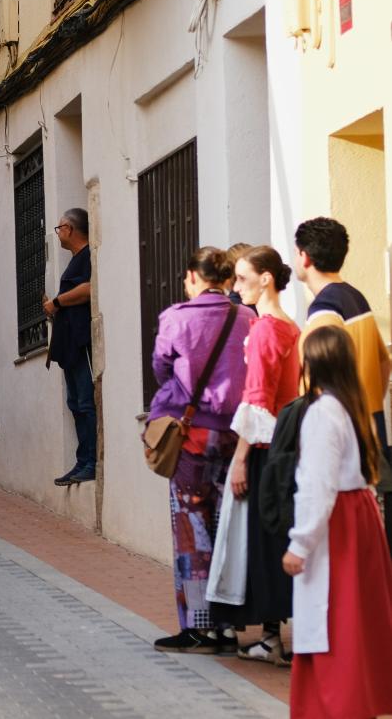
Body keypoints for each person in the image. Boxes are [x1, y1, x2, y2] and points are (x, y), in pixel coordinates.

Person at [149, 246, 253, 653]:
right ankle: (228, 627)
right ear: (226, 278)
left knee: (192, 531)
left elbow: (161, 369)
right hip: (237, 439)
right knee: (227, 530)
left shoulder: (176, 318)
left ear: (193, 276)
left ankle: (198, 627)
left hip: (192, 440)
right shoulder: (247, 317)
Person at [285, 325, 392, 718]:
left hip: (337, 526)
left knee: (335, 623)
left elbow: (317, 484)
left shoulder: (321, 414)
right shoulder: (353, 406)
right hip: (358, 520)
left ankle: (337, 706)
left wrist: (300, 544)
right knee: (356, 622)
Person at [207, 246, 299, 664]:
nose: (236, 286)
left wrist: (241, 458)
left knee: (259, 543)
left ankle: (272, 640)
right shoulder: (289, 327)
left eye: (243, 278)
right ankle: (275, 638)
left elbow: (257, 399)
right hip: (286, 445)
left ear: (266, 279)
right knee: (274, 538)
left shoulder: (264, 329)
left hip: (263, 448)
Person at [294, 216, 392, 549]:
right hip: (371, 430)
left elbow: (313, 383)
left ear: (304, 257)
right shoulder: (356, 298)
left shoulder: (323, 311)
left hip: (342, 445)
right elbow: (383, 361)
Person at [43, 208, 96, 486]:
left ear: (70, 229)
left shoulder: (88, 256)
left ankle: (91, 462)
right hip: (69, 346)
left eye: (59, 227)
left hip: (81, 342)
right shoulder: (75, 260)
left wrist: (58, 302)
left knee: (86, 402)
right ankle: (82, 460)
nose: (58, 232)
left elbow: (89, 289)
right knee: (75, 403)